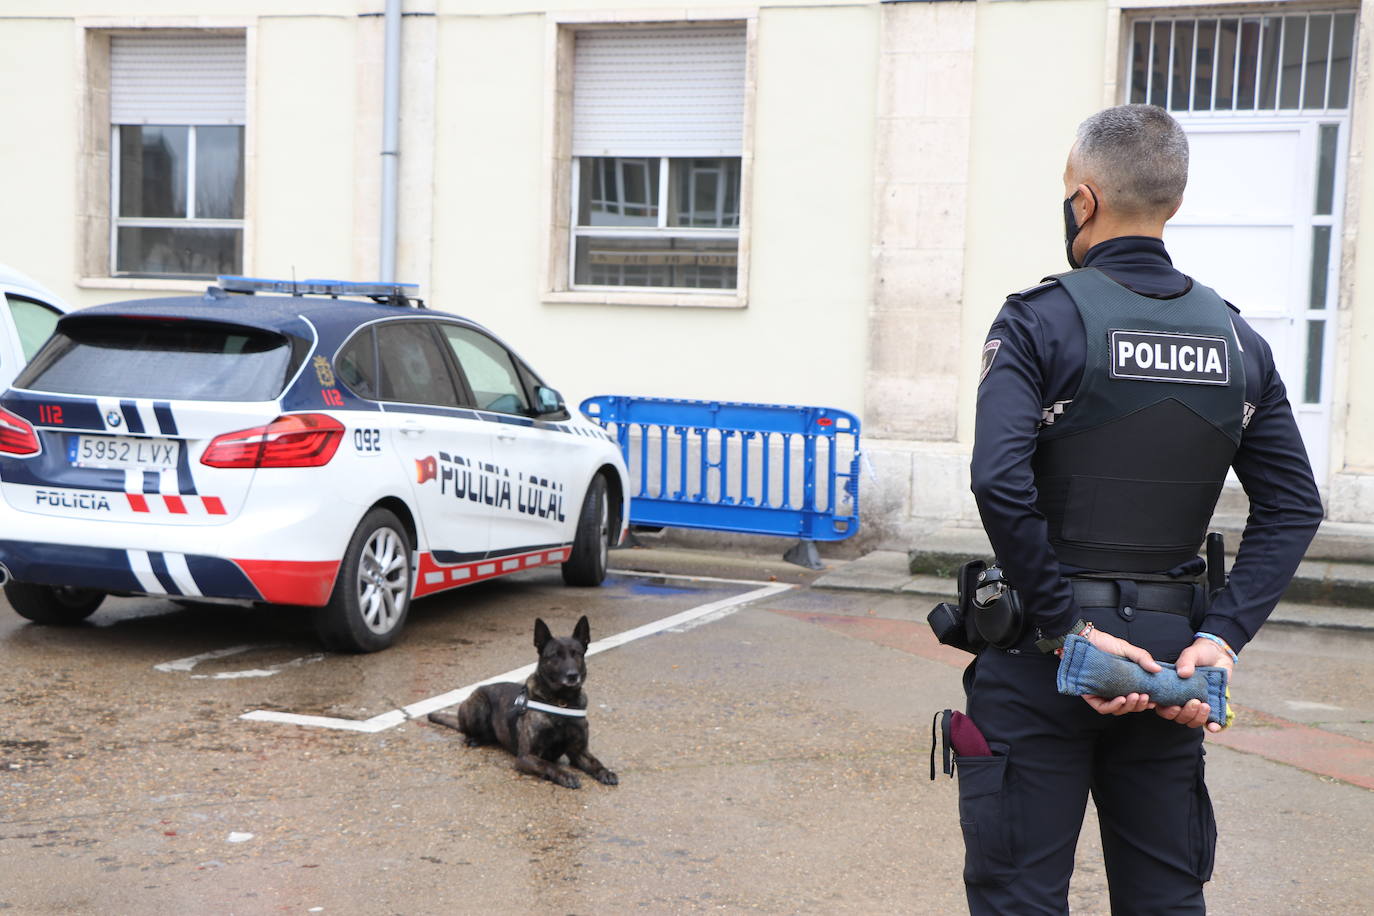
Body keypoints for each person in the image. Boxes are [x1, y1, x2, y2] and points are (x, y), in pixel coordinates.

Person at [962, 104, 1324, 915]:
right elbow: (1295, 505)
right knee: (1165, 897)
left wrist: (1067, 630)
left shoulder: (1039, 320)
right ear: (1174, 203)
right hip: (1171, 663)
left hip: (1043, 652)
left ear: (1083, 200)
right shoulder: (1237, 342)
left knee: (1019, 894)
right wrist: (1220, 639)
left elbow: (998, 478)